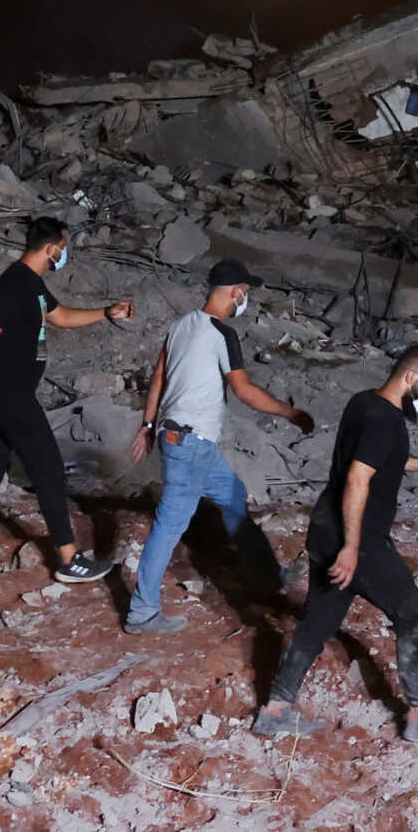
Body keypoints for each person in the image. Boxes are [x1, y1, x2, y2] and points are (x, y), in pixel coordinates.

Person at [252, 345, 418, 742]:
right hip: (355, 538)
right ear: (412, 378)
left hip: (323, 529)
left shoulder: (364, 403)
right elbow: (358, 478)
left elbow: (376, 459)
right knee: (414, 615)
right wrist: (352, 548)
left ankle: (275, 710)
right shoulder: (385, 420)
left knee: (317, 623)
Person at [120, 258, 316, 635]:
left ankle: (268, 577)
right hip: (190, 443)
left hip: (187, 441)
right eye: (246, 292)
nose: (245, 299)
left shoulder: (180, 326)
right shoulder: (221, 334)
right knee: (170, 524)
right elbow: (243, 391)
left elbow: (158, 377)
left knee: (232, 495)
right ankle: (141, 612)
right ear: (236, 292)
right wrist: (289, 412)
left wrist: (147, 425)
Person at [0, 216, 131, 588]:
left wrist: (107, 313)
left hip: (7, 392)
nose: (65, 253)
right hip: (5, 392)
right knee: (49, 468)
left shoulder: (34, 286)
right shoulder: (14, 283)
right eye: (65, 245)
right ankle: (68, 559)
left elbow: (61, 317)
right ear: (52, 247)